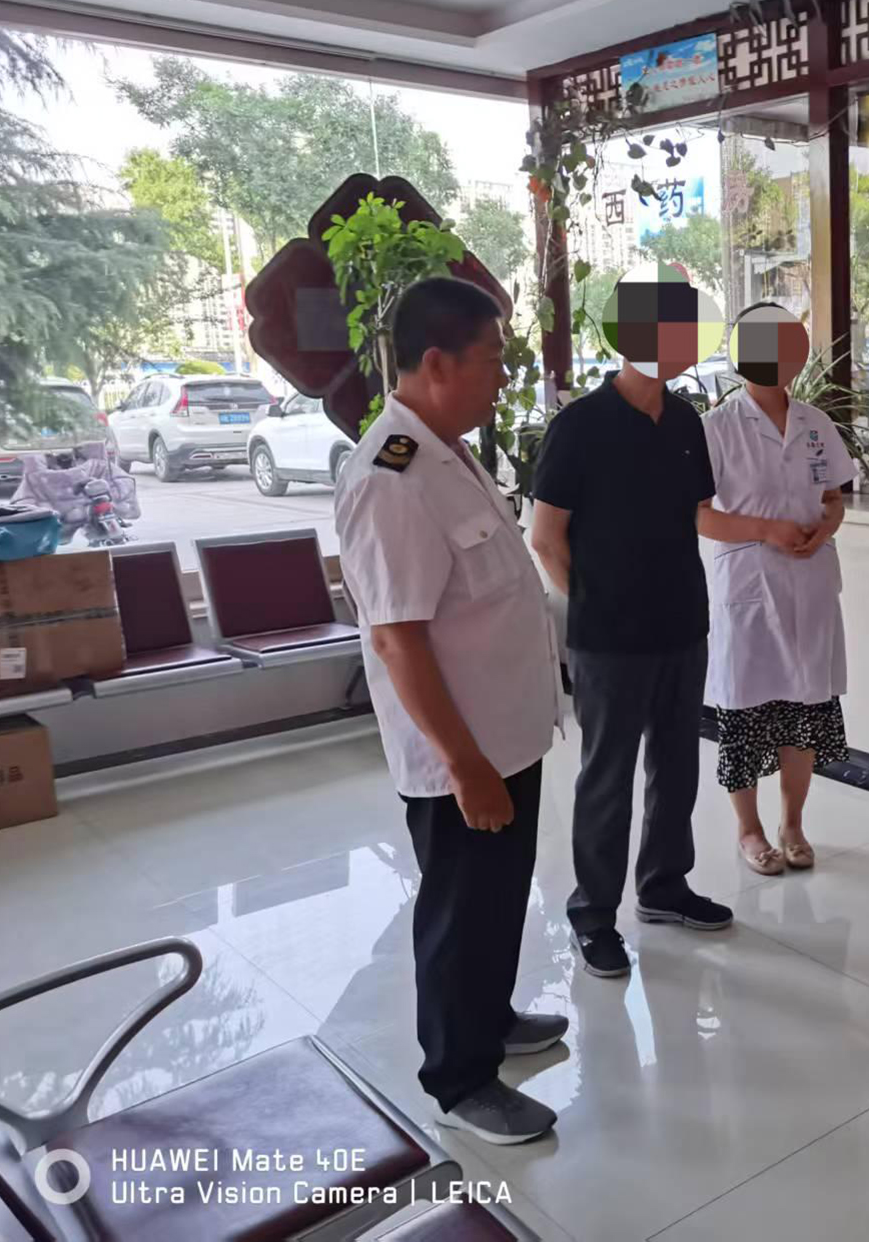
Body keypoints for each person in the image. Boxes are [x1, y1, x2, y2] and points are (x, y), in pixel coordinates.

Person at [334, 276, 566, 1146]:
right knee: (460, 909)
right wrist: (464, 766)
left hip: (505, 734)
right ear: (436, 362)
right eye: (492, 360)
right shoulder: (392, 478)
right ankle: (461, 1078)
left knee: (500, 896)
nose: (503, 377)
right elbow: (398, 640)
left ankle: (491, 1018)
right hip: (461, 751)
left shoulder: (444, 451)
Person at [529, 279, 733, 981]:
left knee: (676, 766)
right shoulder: (581, 425)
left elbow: (695, 514)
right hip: (609, 639)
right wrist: (595, 602)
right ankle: (593, 915)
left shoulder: (685, 422)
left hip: (683, 624)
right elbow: (546, 537)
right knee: (607, 777)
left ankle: (664, 886)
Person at [697, 302, 858, 875]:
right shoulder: (716, 427)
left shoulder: (816, 423)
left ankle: (793, 824)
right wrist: (766, 530)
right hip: (749, 586)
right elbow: (699, 515)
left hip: (810, 584)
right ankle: (750, 829)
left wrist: (826, 527)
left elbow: (833, 499)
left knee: (805, 709)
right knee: (745, 713)